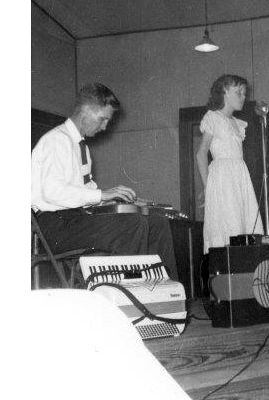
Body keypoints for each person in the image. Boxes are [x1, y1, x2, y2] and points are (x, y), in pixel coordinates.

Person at [32, 83, 178, 279]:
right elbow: (53, 192)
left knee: (156, 222)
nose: (105, 126)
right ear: (85, 112)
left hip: (73, 219)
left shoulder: (81, 147)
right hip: (53, 227)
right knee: (133, 225)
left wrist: (114, 200)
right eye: (102, 119)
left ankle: (164, 293)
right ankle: (130, 294)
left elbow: (85, 192)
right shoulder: (57, 140)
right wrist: (102, 194)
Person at [196, 74, 263, 254]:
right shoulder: (213, 117)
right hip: (223, 179)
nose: (244, 97)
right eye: (239, 92)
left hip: (240, 176)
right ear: (224, 92)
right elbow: (201, 154)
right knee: (228, 224)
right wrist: (208, 186)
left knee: (244, 222)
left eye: (244, 93)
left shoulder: (237, 124)